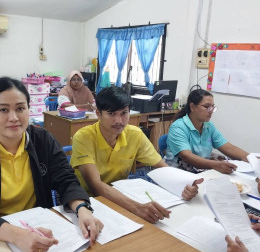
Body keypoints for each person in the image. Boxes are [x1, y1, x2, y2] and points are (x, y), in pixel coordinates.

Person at [0, 77, 103, 252]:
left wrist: (82, 209)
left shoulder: (42, 140)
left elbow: (66, 179)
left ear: (29, 110)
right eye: (3, 110)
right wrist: (16, 235)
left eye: (20, 108)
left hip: (39, 229)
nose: (13, 118)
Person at [70, 86, 203, 224]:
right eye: (111, 114)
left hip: (120, 198)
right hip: (88, 202)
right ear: (98, 113)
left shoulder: (135, 134)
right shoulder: (83, 137)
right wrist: (137, 208)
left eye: (124, 113)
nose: (119, 121)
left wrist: (184, 185)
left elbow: (163, 169)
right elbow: (95, 185)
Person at [165, 89, 249, 174]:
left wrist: (251, 158)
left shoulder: (209, 126)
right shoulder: (178, 127)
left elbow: (227, 147)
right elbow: (187, 156)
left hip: (201, 169)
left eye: (212, 107)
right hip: (177, 172)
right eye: (206, 106)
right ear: (192, 107)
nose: (211, 111)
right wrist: (215, 165)